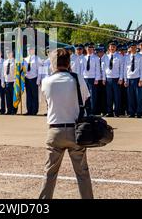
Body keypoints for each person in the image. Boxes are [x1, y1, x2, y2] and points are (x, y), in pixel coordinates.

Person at [39, 48, 93, 199]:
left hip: (54, 131)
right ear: (69, 63)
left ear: (53, 64)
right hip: (75, 131)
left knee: (50, 173)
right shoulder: (77, 79)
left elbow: (47, 102)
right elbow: (85, 98)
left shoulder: (46, 82)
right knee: (82, 173)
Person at [124, 41, 142, 118]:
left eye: (134, 47)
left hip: (137, 79)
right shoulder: (126, 57)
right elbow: (125, 69)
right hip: (129, 78)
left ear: (137, 48)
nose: (133, 48)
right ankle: (131, 112)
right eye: (131, 47)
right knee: (130, 97)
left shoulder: (140, 56)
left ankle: (139, 112)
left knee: (139, 97)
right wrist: (125, 80)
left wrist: (141, 80)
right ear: (129, 48)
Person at [102, 40, 123, 117]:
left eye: (114, 47)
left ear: (116, 48)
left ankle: (117, 112)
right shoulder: (105, 56)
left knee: (117, 96)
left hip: (116, 78)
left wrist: (121, 78)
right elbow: (103, 68)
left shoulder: (119, 56)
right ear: (109, 48)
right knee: (109, 97)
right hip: (108, 79)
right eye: (111, 47)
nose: (112, 48)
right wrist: (104, 79)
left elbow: (122, 68)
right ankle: (109, 112)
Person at [81, 43, 101, 116]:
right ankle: (86, 110)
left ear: (93, 49)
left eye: (91, 49)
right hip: (85, 78)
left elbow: (97, 69)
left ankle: (92, 111)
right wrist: (81, 78)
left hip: (92, 79)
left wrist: (97, 79)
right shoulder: (84, 58)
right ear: (86, 49)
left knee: (93, 95)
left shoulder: (96, 58)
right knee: (85, 95)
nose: (89, 50)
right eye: (88, 49)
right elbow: (82, 69)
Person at [24, 45, 42, 115]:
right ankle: (29, 110)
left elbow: (40, 70)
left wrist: (38, 79)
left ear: (34, 50)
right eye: (28, 50)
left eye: (31, 49)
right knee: (28, 95)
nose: (29, 51)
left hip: (34, 79)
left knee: (34, 96)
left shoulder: (37, 59)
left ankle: (34, 110)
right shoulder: (25, 59)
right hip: (27, 79)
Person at [3, 50, 16, 115]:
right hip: (7, 81)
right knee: (7, 97)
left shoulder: (15, 61)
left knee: (13, 97)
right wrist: (3, 81)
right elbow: (4, 72)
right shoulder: (5, 62)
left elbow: (17, 73)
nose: (8, 54)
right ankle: (9, 110)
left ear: (12, 53)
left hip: (13, 82)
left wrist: (15, 81)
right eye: (7, 53)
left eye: (9, 53)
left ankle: (14, 110)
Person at [95, 46, 107, 116]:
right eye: (97, 52)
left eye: (100, 51)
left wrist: (104, 79)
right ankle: (98, 110)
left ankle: (104, 110)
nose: (99, 53)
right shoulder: (96, 58)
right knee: (97, 96)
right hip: (97, 79)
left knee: (104, 96)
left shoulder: (106, 58)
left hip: (103, 80)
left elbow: (105, 70)